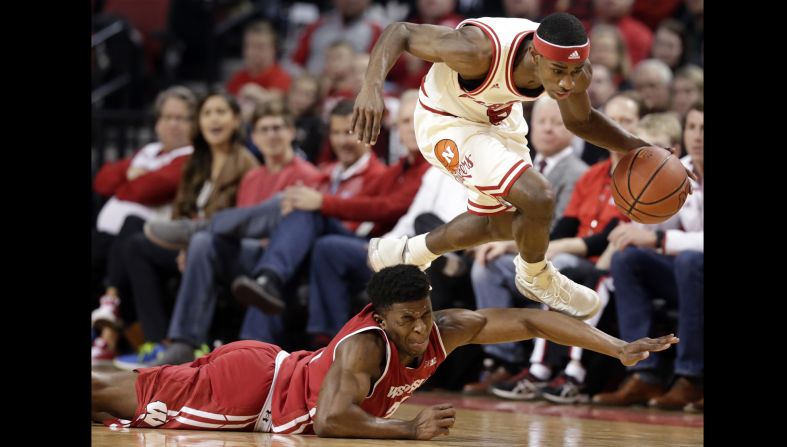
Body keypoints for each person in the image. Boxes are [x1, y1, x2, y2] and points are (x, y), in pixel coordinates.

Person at [92, 265, 678, 439]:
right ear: (380, 317)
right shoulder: (366, 349)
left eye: (425, 314)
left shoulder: (441, 325)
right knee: (119, 397)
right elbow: (329, 418)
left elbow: (533, 318)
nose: (422, 330)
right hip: (251, 394)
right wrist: (407, 429)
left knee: (116, 391)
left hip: (264, 366)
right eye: (409, 321)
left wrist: (617, 345)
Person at [352, 13, 655, 320]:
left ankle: (407, 252)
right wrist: (371, 88)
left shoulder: (574, 70)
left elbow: (582, 120)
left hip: (498, 114)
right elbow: (400, 31)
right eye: (559, 71)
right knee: (538, 196)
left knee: (508, 222)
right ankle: (536, 277)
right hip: (445, 120)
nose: (567, 82)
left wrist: (643, 149)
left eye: (575, 71)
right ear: (536, 56)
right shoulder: (475, 51)